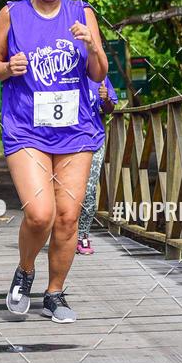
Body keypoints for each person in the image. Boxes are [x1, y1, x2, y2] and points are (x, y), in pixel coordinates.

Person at [0, 0, 108, 323]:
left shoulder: (82, 13)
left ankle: (55, 294)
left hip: (76, 130)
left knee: (68, 216)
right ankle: (25, 271)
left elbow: (100, 72)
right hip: (27, 128)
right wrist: (6, 68)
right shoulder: (12, 14)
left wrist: (91, 45)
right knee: (40, 214)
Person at [76, 76, 117, 254]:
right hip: (64, 143)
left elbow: (109, 109)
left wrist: (106, 98)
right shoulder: (60, 70)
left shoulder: (99, 76)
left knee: (89, 190)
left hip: (94, 141)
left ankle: (82, 235)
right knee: (63, 191)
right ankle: (63, 234)